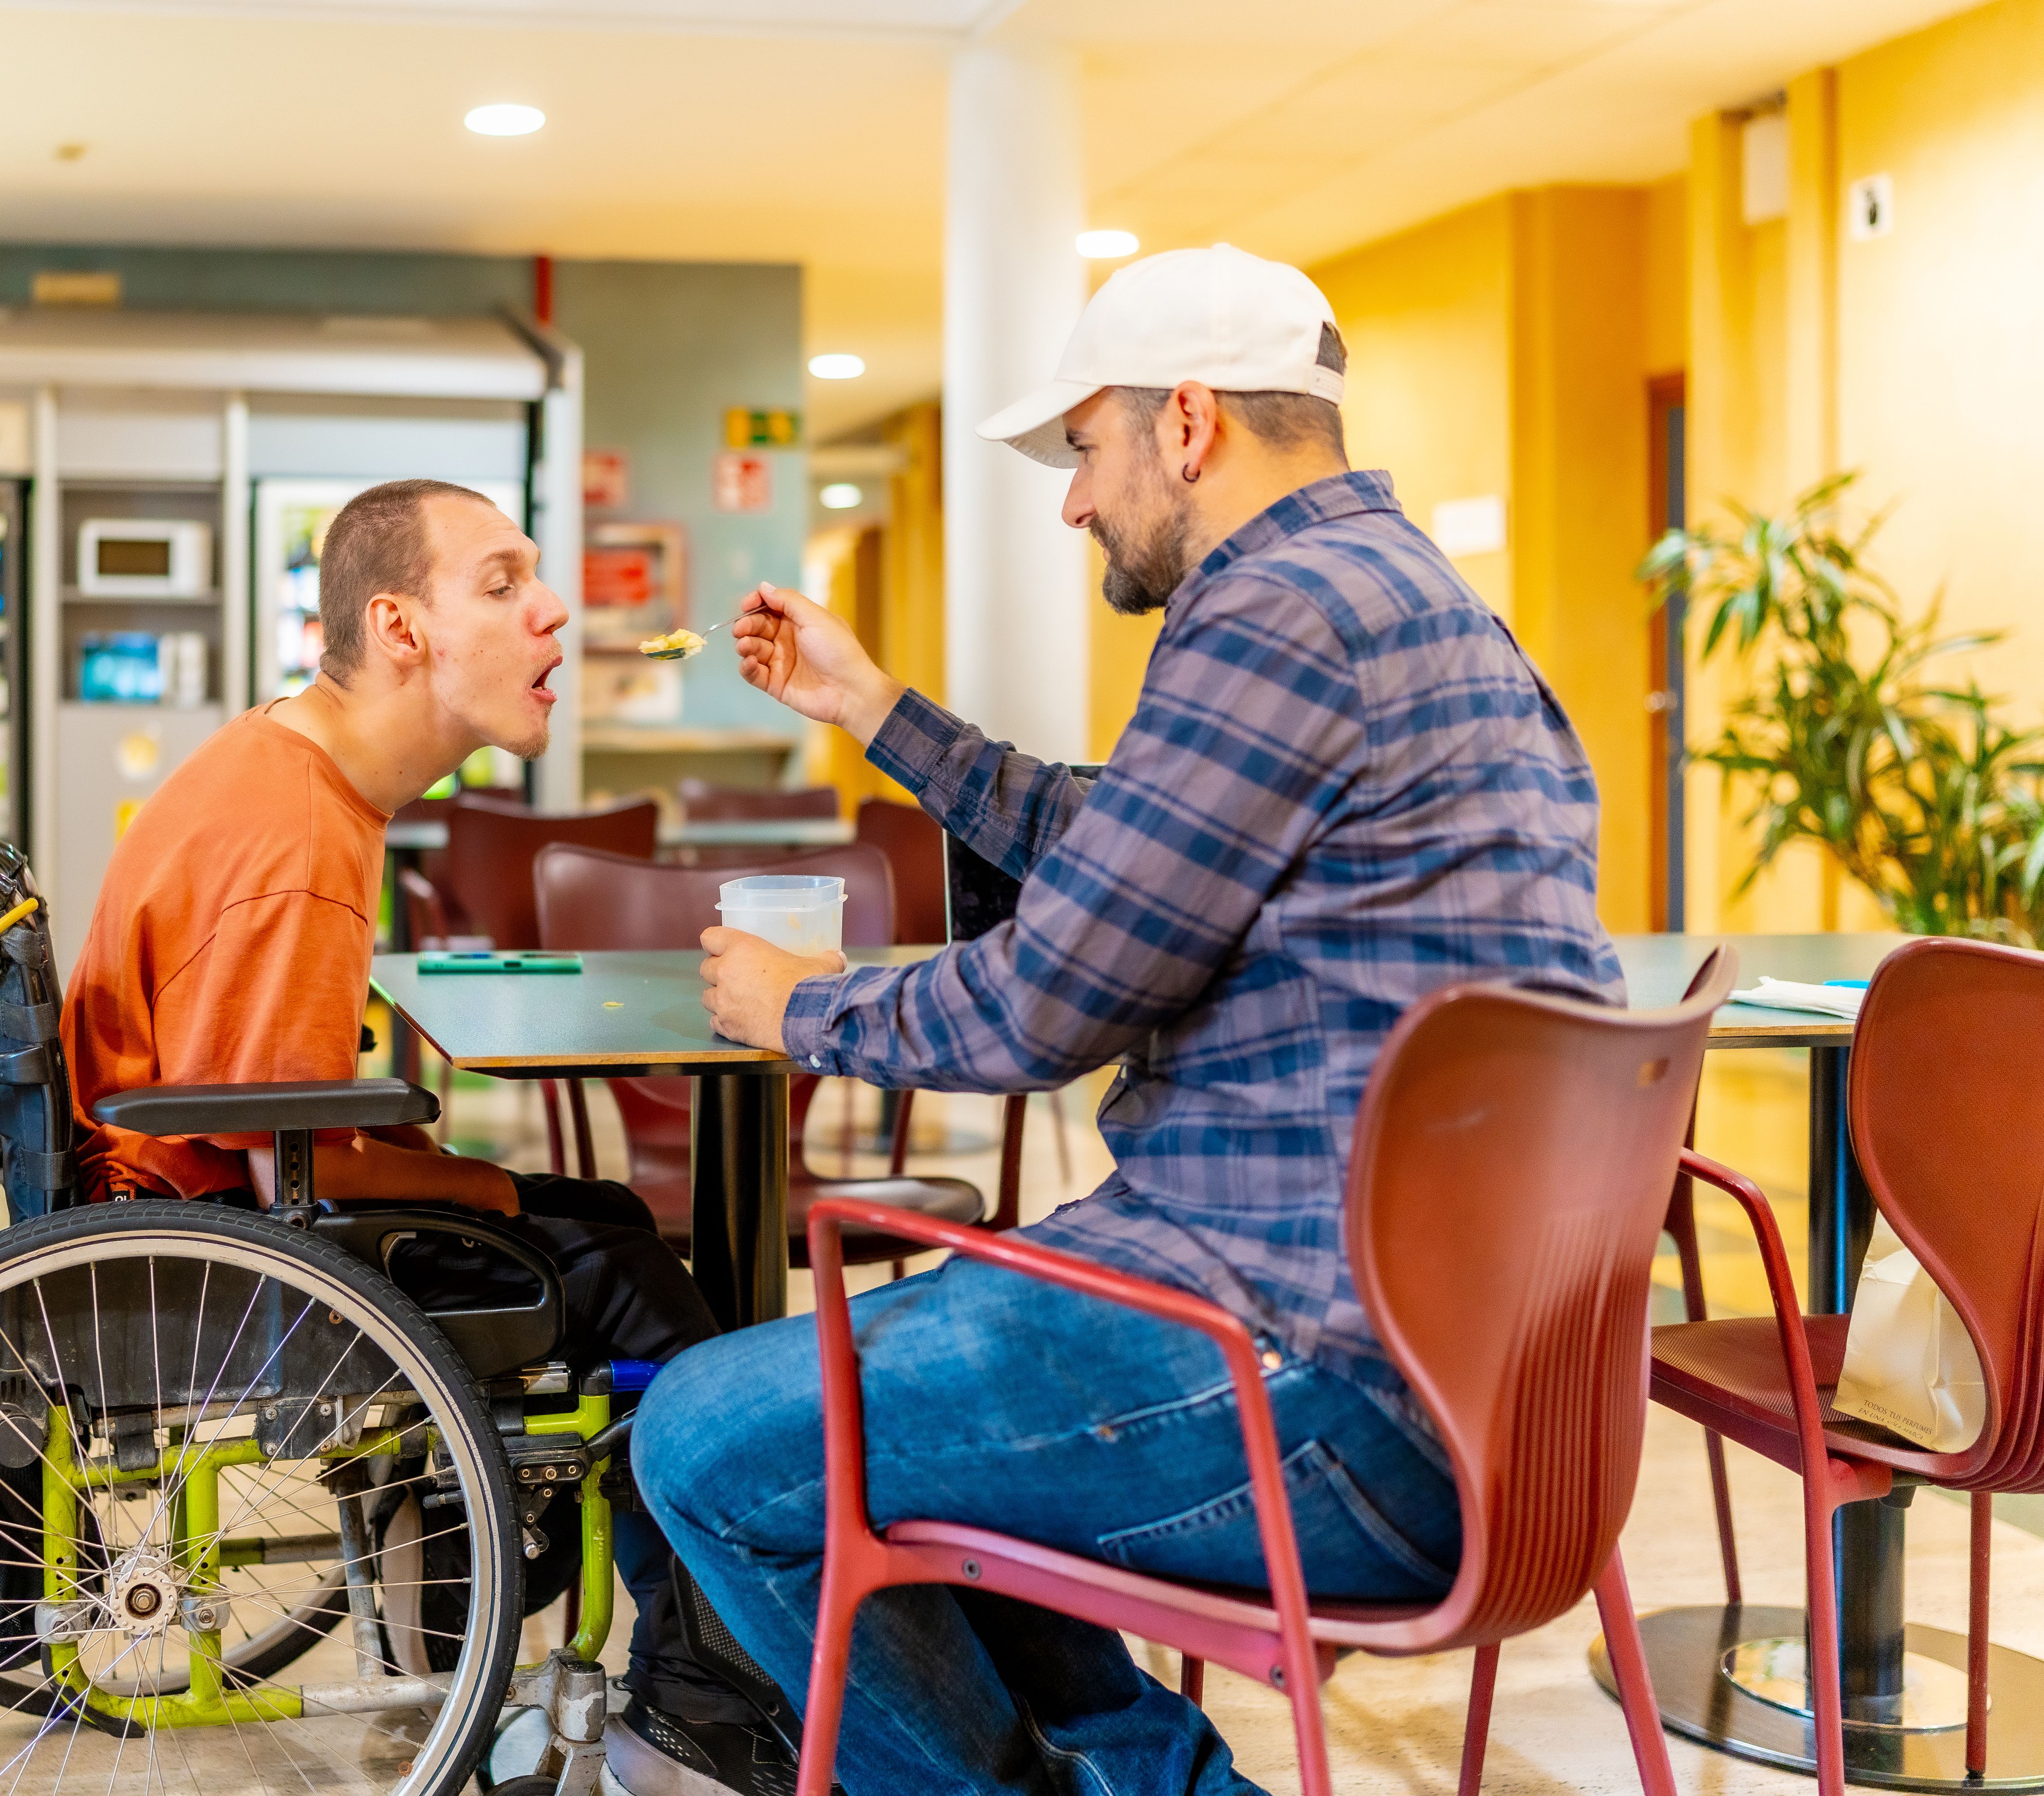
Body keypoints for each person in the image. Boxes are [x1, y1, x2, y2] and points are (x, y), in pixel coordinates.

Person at [633, 245, 1626, 1795]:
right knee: (900, 1428)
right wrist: (877, 710)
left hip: (1312, 1382)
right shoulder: (1418, 605)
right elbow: (1127, 850)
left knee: (707, 1439)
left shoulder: (1272, 618)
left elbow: (1044, 1008)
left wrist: (804, 1009)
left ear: (1188, 422)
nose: (1075, 502)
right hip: (1492, 1390)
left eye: (1086, 449)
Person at [59, 478, 789, 1796]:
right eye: (503, 584)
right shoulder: (299, 834)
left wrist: (483, 1185)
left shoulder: (290, 765)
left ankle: (494, 1608)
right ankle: (709, 1702)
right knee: (620, 1269)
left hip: (174, 1209)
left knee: (599, 1219)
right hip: (212, 1254)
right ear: (400, 628)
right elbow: (283, 1144)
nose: (552, 611)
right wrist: (482, 1186)